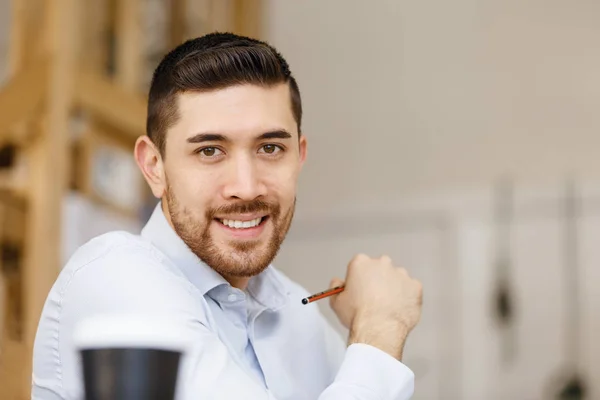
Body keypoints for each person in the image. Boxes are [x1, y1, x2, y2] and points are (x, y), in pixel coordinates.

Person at [32, 32, 423, 399]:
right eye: (209, 151)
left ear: (299, 156)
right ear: (154, 166)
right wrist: (380, 326)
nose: (247, 186)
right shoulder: (115, 277)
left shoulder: (299, 315)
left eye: (270, 148)